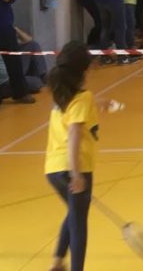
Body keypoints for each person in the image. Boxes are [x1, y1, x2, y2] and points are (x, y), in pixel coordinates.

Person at [44, 42, 108, 271]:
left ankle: (58, 262)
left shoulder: (62, 96)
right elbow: (73, 134)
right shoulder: (84, 97)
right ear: (84, 70)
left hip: (52, 169)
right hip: (74, 167)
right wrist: (76, 174)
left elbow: (75, 110)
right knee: (79, 223)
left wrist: (99, 104)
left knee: (74, 212)